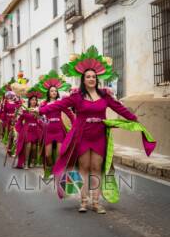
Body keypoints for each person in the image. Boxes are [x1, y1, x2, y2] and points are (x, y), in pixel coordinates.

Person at [38, 46, 138, 214]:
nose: (91, 79)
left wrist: (134, 119)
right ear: (83, 80)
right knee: (84, 167)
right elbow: (58, 105)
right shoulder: (76, 97)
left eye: (93, 76)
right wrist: (40, 110)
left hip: (99, 135)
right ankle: (84, 201)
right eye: (88, 77)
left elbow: (119, 108)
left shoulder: (105, 96)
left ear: (96, 79)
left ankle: (96, 202)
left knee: (96, 167)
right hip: (82, 135)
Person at [38, 70, 75, 178]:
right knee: (48, 155)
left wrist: (74, 125)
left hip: (59, 129)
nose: (53, 92)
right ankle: (50, 169)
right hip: (48, 130)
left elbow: (70, 114)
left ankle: (56, 172)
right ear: (48, 92)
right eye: (52, 91)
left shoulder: (61, 102)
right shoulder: (44, 104)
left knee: (60, 154)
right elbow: (40, 115)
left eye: (55, 91)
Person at [15, 91, 43, 169]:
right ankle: (26, 163)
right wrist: (18, 112)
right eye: (32, 99)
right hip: (27, 130)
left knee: (34, 148)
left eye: (35, 100)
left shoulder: (38, 110)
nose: (34, 101)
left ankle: (32, 161)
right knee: (28, 145)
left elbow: (40, 119)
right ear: (29, 101)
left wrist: (37, 115)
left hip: (35, 130)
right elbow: (20, 118)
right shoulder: (25, 110)